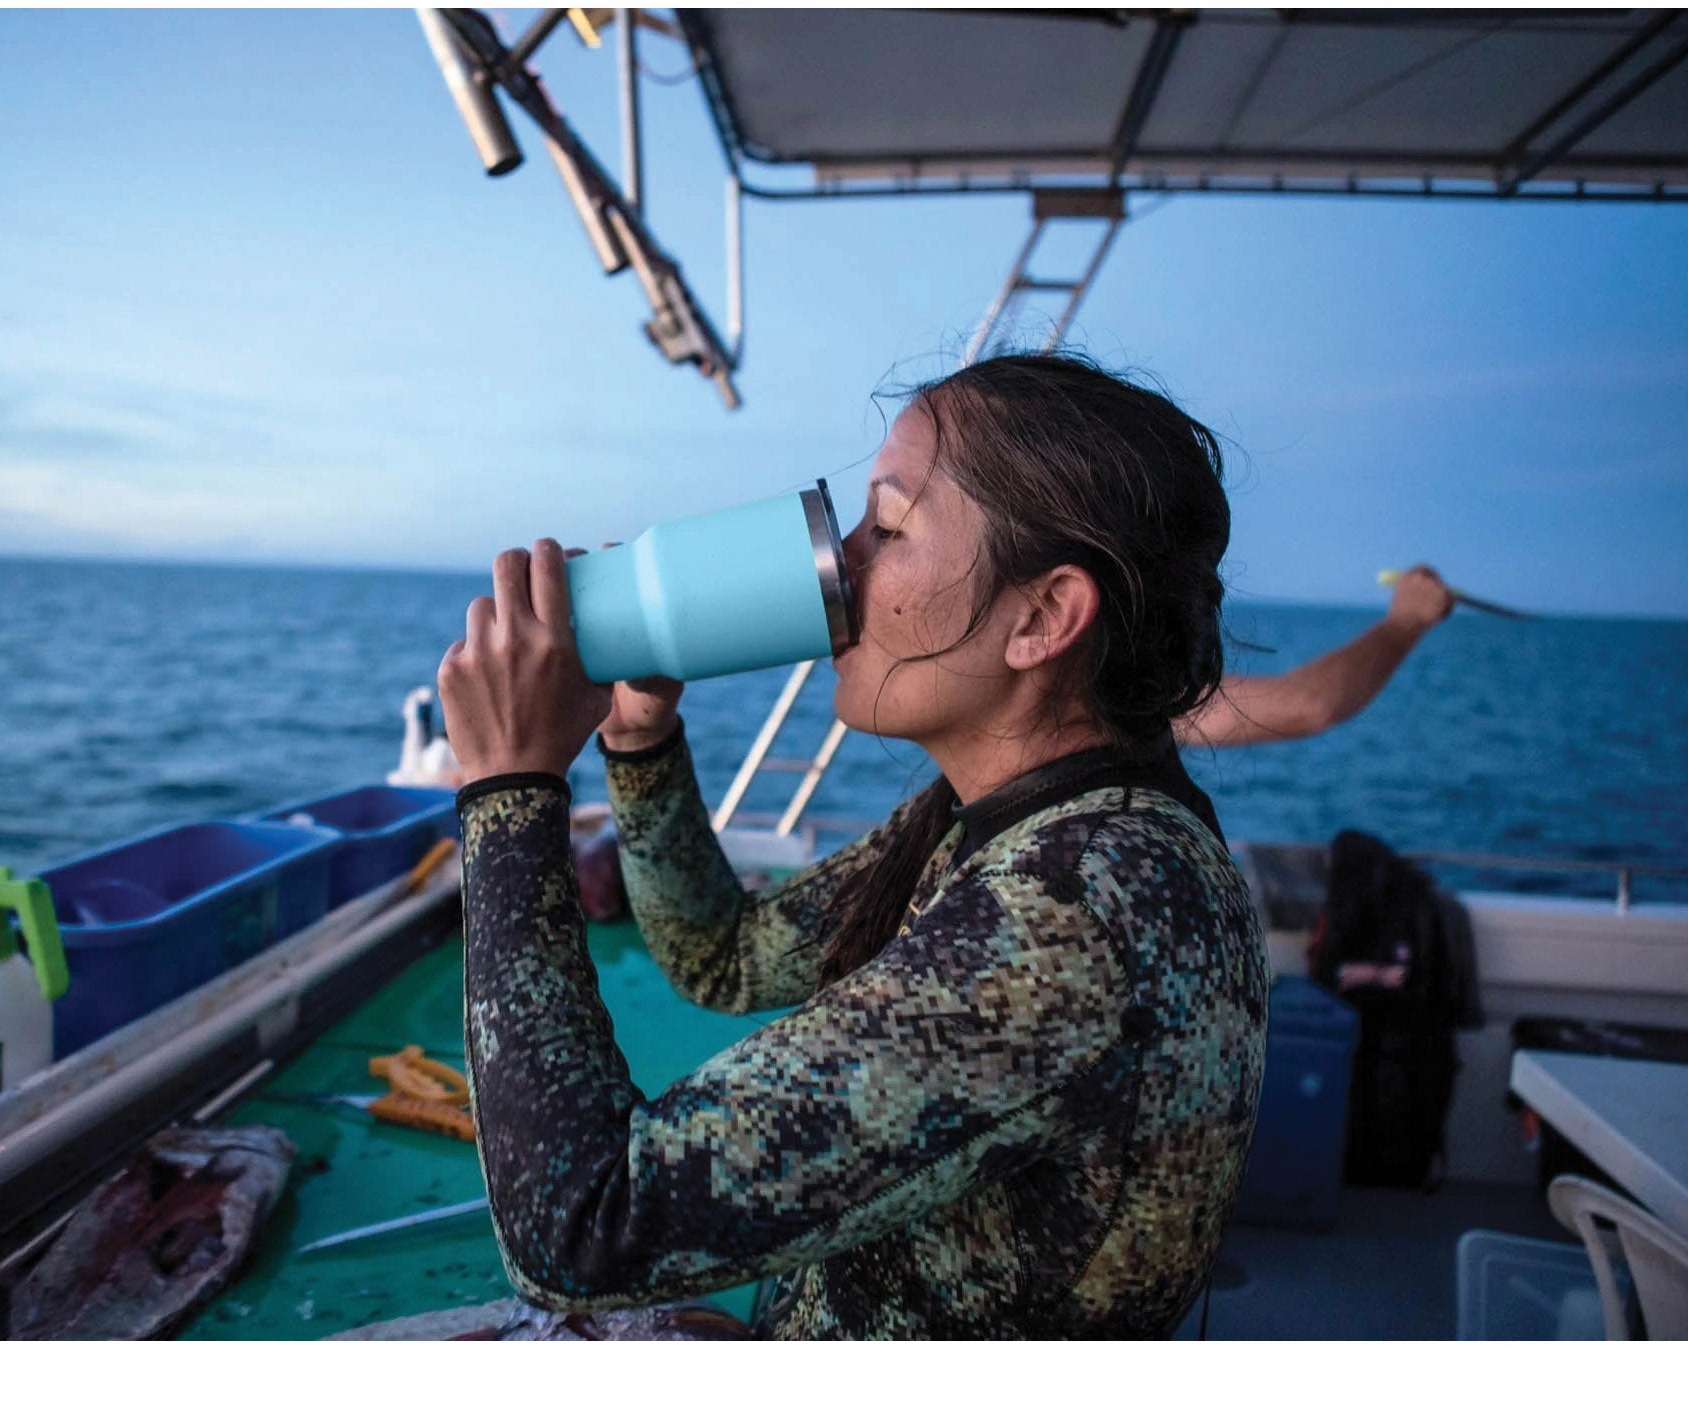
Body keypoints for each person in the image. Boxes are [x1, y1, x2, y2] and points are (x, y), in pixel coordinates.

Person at [436, 353, 1268, 1339]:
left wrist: (509, 792)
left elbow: (579, 1231)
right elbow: (725, 955)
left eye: (889, 527)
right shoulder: (1025, 824)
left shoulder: (1077, 916)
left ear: (1043, 618)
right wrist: (639, 740)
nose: (839, 563)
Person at [1174, 566, 1458, 748]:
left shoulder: (1159, 696)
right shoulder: (1157, 695)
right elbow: (1310, 704)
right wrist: (1405, 622)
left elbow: (1309, 704)